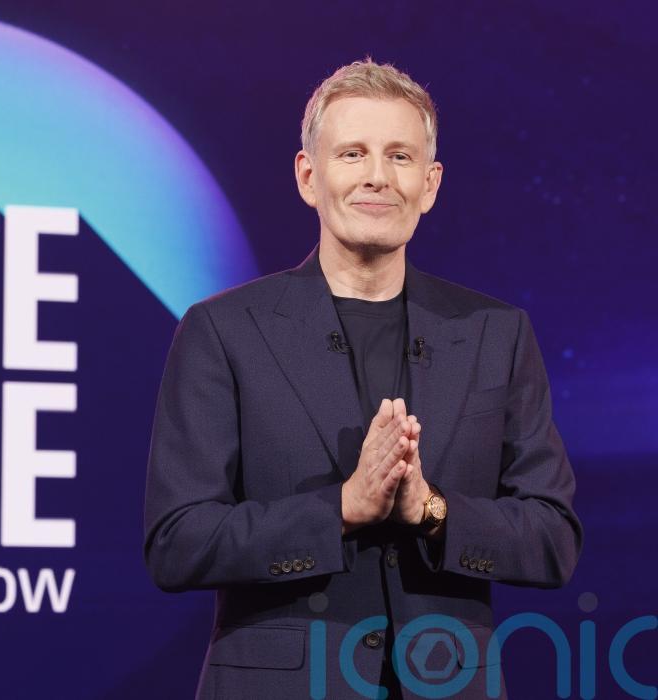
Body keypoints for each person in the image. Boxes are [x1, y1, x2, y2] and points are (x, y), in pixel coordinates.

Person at [143, 59, 582, 699]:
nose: (378, 175)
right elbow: (177, 541)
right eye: (353, 153)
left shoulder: (497, 334)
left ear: (430, 184)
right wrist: (342, 509)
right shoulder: (224, 330)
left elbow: (553, 538)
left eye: (400, 156)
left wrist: (431, 510)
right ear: (308, 176)